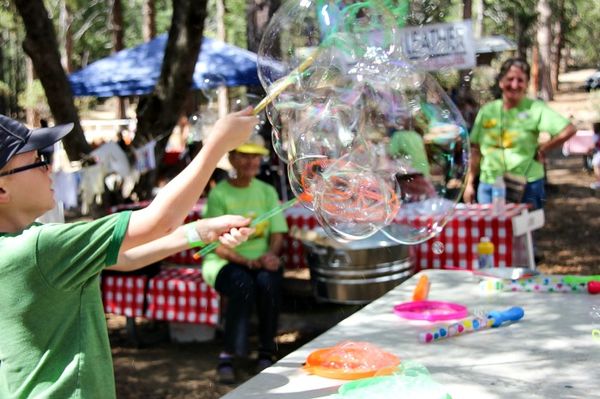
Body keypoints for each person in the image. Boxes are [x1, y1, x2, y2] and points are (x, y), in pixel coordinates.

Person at [0, 108, 258, 398]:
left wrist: (196, 232)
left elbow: (124, 259)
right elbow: (159, 220)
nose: (49, 168)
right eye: (37, 161)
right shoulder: (38, 248)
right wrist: (217, 145)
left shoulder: (16, 247)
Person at [201, 134, 289, 384]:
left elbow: (278, 231)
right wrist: (248, 262)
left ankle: (266, 351)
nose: (252, 161)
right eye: (245, 155)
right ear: (232, 159)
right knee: (242, 284)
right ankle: (228, 353)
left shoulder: (267, 191)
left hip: (260, 260)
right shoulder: (220, 194)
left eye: (256, 156)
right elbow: (213, 243)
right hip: (224, 262)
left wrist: (271, 255)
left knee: (268, 283)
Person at [463, 58, 577, 210]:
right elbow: (475, 149)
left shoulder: (535, 109)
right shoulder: (487, 111)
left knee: (525, 232)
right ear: (501, 82)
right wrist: (469, 184)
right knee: (491, 232)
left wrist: (544, 148)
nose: (515, 85)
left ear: (527, 84)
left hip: (528, 184)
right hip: (489, 184)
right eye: (510, 79)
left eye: (520, 80)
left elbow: (568, 129)